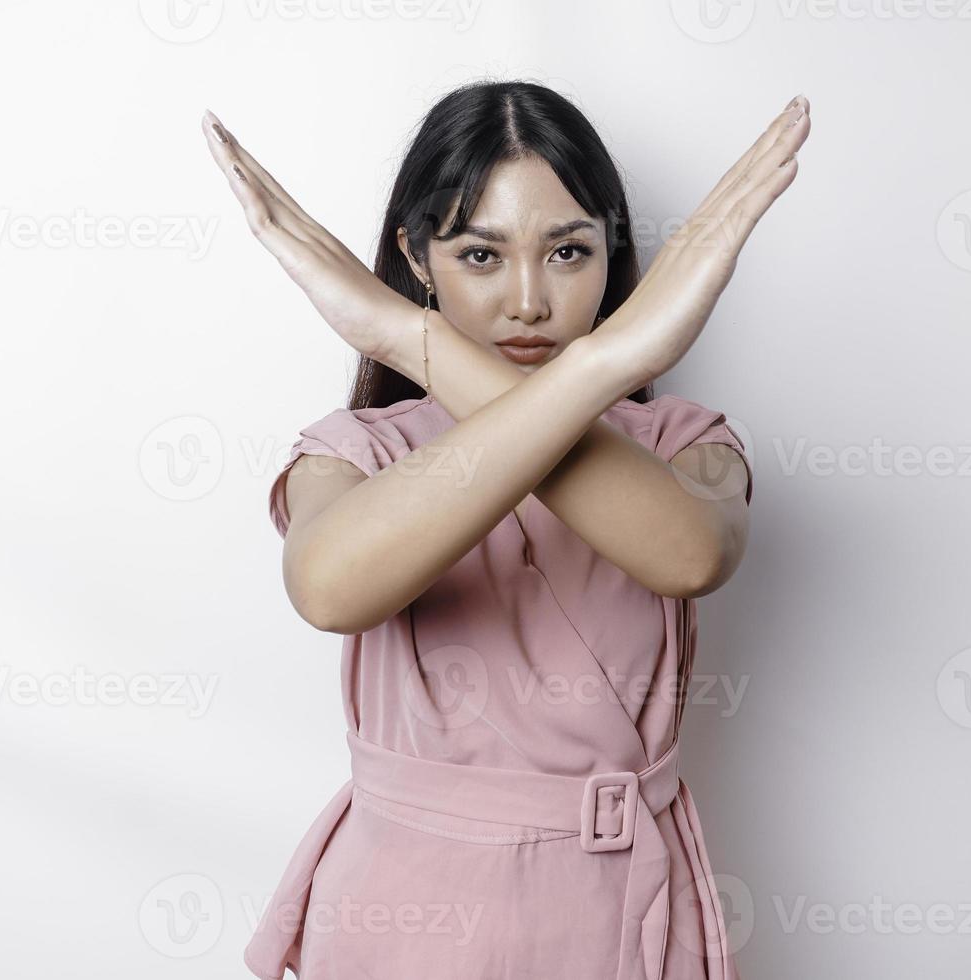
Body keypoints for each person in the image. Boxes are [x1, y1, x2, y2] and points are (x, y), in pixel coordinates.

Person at [201, 79, 809, 979]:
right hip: (408, 921)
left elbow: (690, 554)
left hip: (624, 914)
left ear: (614, 255)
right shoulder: (355, 453)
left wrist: (424, 339)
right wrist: (593, 360)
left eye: (568, 252)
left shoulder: (683, 445)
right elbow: (328, 589)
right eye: (481, 257)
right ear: (417, 255)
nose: (529, 301)